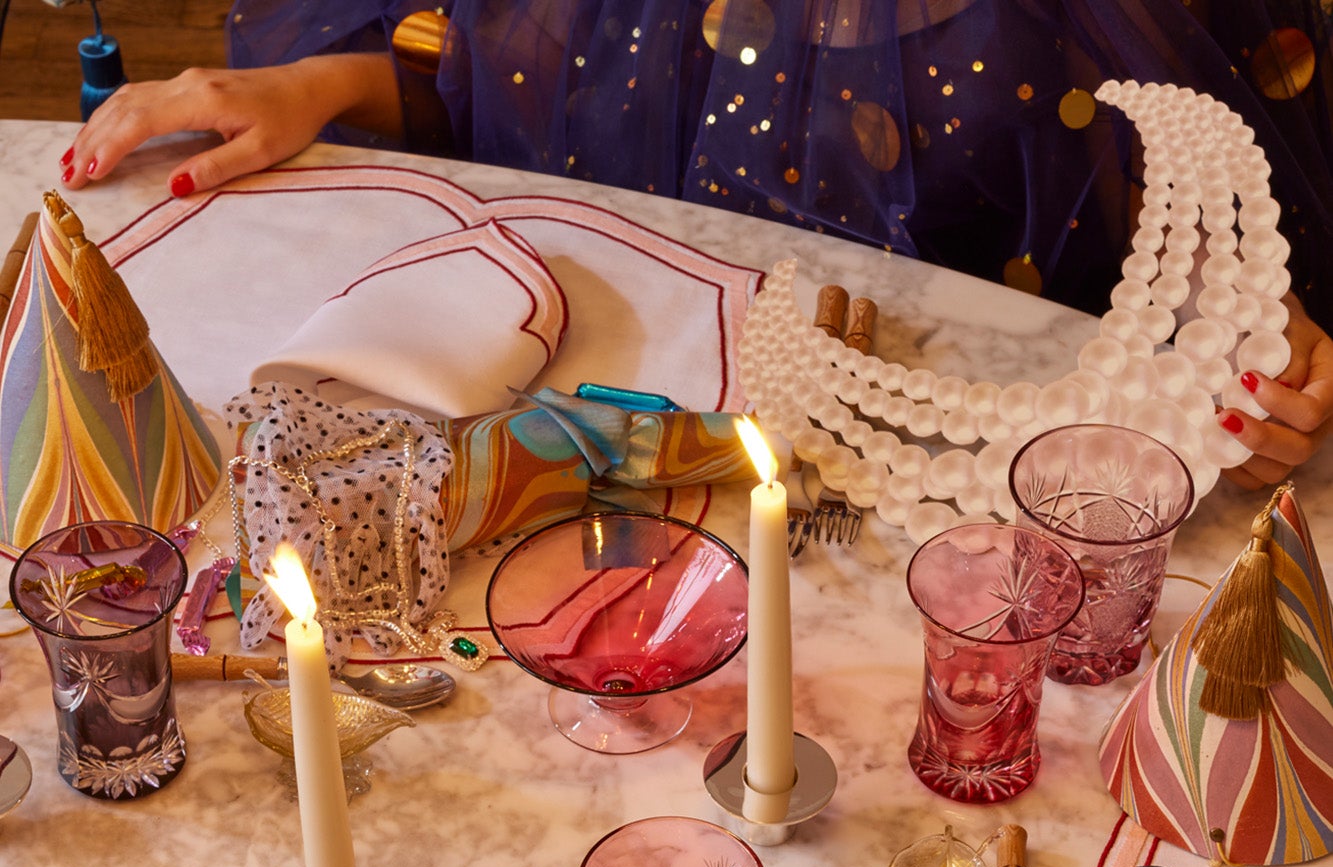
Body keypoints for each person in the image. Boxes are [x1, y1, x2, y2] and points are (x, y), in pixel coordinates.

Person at [58, 0, 1333, 487]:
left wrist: (1253, 357)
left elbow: (1203, 228)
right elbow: (522, 87)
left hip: (988, 493)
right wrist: (334, 87)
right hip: (658, 442)